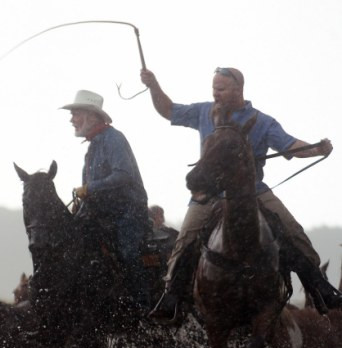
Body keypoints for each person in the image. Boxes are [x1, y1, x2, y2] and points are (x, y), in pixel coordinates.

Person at [141, 66, 338, 322]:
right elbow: (168, 110)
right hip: (210, 194)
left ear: (238, 89)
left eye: (221, 89)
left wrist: (317, 149)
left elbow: (291, 145)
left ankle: (320, 289)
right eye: (213, 88)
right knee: (185, 239)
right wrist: (153, 85)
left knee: (294, 233)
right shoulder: (203, 111)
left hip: (254, 191)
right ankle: (172, 298)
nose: (216, 94)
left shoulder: (263, 121)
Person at [62, 89, 150, 312]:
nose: (71, 119)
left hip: (127, 212)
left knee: (128, 252)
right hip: (102, 213)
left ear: (92, 116)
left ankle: (143, 308)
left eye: (75, 114)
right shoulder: (92, 147)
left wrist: (89, 188)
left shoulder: (114, 139)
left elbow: (123, 175)